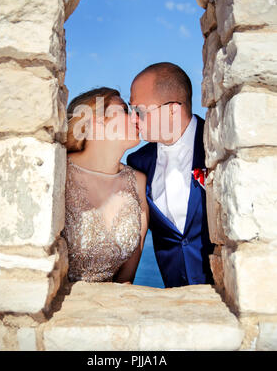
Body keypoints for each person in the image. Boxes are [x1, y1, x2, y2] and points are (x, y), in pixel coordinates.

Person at [127, 62, 214, 288]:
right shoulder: (138, 162)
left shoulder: (218, 146)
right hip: (175, 303)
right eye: (131, 110)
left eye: (140, 112)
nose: (132, 119)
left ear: (172, 110)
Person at [61, 87, 149, 284]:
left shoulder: (138, 183)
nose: (137, 118)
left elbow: (126, 279)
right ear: (96, 121)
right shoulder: (59, 173)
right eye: (125, 111)